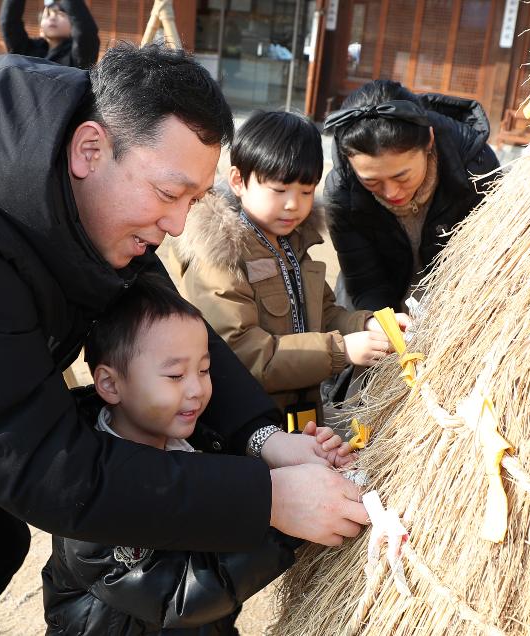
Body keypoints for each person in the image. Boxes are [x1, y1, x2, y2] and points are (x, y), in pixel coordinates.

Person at [0, 44, 367, 635]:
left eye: (194, 199)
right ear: (90, 149)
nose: (179, 224)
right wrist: (266, 499)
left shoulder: (86, 198)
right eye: (168, 193)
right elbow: (42, 468)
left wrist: (261, 438)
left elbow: (168, 320)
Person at [42, 273, 348, 635]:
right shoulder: (90, 500)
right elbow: (177, 598)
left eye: (203, 370)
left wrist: (302, 463)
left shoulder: (194, 438)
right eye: (175, 376)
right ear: (110, 384)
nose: (197, 389)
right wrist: (289, 520)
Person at [170, 111, 398, 430]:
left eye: (306, 192)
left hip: (298, 420)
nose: (293, 204)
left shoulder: (294, 244)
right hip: (245, 426)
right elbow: (243, 353)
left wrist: (370, 324)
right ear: (238, 181)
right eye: (279, 190)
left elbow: (326, 312)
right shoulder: (219, 254)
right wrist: (341, 349)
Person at [322, 79, 501, 312]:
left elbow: (484, 265)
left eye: (402, 177)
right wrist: (381, 322)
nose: (391, 192)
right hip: (373, 294)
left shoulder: (476, 167)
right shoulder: (342, 190)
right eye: (371, 181)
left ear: (429, 141)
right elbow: (364, 280)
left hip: (452, 299)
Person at [0, 0, 99, 69]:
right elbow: (9, 23)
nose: (52, 18)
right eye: (47, 14)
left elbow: (86, 31)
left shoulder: (78, 56)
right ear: (40, 28)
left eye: (60, 14)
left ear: (73, 26)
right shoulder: (26, 49)